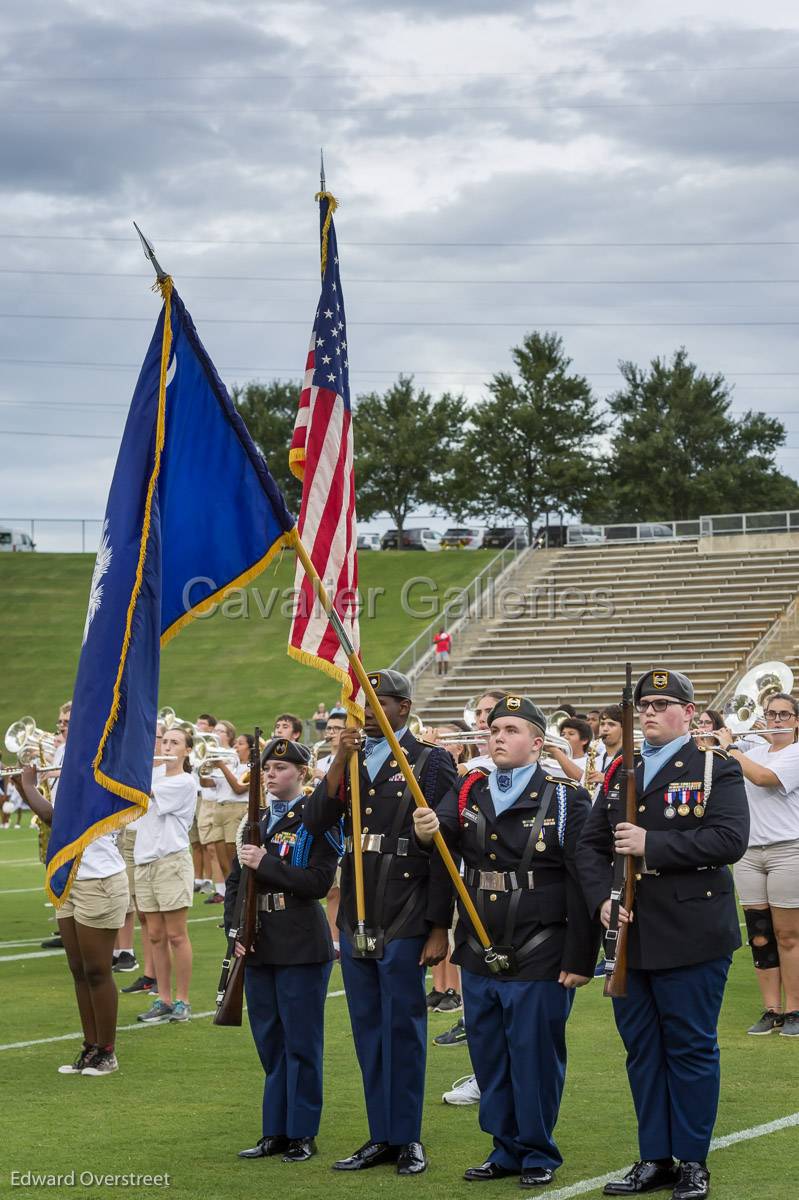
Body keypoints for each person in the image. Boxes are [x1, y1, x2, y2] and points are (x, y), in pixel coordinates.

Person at [576, 668, 749, 1200]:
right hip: (629, 929)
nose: (649, 711)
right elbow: (589, 846)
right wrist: (602, 899)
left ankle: (693, 1160)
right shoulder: (617, 770)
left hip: (691, 927)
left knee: (691, 1048)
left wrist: (653, 844)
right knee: (642, 1050)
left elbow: (728, 839)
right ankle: (655, 1156)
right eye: (642, 704)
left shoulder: (713, 767)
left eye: (661, 703)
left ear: (689, 714)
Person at [415, 694, 597, 1186]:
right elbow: (446, 841)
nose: (499, 736)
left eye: (512, 729)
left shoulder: (565, 797)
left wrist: (582, 955)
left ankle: (537, 1152)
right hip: (478, 942)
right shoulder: (469, 789)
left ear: (537, 743)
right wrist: (428, 829)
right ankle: (504, 1148)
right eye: (495, 729)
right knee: (490, 1054)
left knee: (534, 1056)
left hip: (541, 943)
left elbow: (584, 879)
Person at [303, 668, 458, 1176]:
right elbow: (315, 823)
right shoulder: (347, 761)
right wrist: (339, 759)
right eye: (359, 704)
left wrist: (439, 925)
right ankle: (380, 1135)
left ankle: (407, 1136)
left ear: (404, 708)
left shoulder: (429, 761)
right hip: (357, 909)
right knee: (368, 1026)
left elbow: (442, 846)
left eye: (377, 703)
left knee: (404, 1026)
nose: (366, 714)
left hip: (408, 905)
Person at [230, 739, 341, 1164]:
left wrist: (267, 863)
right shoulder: (253, 820)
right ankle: (274, 1130)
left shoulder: (315, 820)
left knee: (301, 1042)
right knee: (270, 1042)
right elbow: (234, 882)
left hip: (298, 940)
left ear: (302, 773)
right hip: (257, 940)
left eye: (281, 767)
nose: (271, 774)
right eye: (268, 767)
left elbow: (317, 883)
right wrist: (234, 929)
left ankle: (302, 1133)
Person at [17, 764, 129, 1076]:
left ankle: (107, 1051)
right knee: (78, 969)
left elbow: (60, 819)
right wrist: (23, 786)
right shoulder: (78, 766)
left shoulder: (107, 773)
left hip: (100, 881)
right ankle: (91, 1047)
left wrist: (27, 787)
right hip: (70, 877)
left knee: (97, 970)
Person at [717, 692, 799, 1037]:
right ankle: (771, 1009)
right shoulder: (757, 750)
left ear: (796, 721)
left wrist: (732, 748)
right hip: (750, 852)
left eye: (784, 715)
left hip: (788, 850)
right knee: (760, 934)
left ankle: (795, 1008)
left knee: (788, 934)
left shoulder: (794, 753)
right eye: (771, 714)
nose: (776, 720)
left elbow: (764, 778)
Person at [134, 726, 197, 1024]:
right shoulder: (155, 775)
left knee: (176, 934)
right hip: (144, 860)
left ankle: (182, 1001)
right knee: (155, 935)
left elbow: (140, 790)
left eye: (175, 743)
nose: (168, 746)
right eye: (166, 741)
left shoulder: (185, 781)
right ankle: (163, 999)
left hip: (170, 861)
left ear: (186, 750)